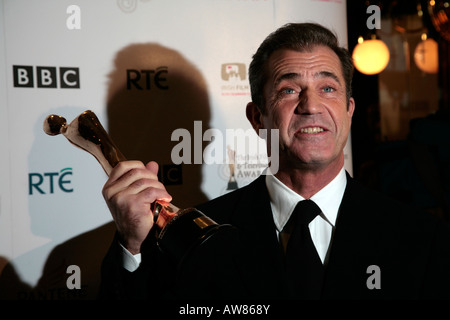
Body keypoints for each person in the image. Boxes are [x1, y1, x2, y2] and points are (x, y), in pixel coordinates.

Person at [98, 23, 450, 300]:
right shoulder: (197, 238)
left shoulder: (420, 236)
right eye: (289, 90)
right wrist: (132, 246)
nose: (311, 105)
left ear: (349, 110)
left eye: (328, 88)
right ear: (258, 117)